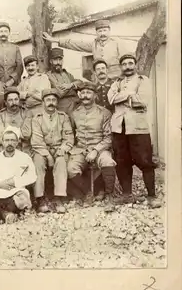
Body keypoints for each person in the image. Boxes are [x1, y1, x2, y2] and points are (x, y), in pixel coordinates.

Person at [108, 54, 161, 208]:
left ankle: (151, 196)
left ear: (135, 65)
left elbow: (142, 100)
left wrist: (121, 97)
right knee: (122, 162)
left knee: (145, 161)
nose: (128, 66)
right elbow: (110, 98)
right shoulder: (116, 83)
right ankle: (126, 195)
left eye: (130, 63)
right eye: (124, 64)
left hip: (138, 128)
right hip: (119, 128)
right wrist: (130, 95)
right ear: (121, 67)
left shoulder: (143, 81)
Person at [68, 81, 116, 211]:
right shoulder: (75, 113)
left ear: (95, 95)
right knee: (70, 168)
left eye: (88, 93)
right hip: (80, 148)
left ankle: (109, 195)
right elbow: (71, 134)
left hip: (100, 148)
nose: (85, 96)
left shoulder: (104, 113)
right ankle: (88, 192)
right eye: (82, 93)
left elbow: (109, 137)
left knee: (108, 161)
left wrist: (96, 150)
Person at [0, 126, 37, 225]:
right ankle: (5, 214)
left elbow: (32, 176)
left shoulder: (24, 157)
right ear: (2, 142)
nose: (9, 143)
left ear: (17, 142)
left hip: (15, 192)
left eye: (12, 140)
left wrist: (14, 182)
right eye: (7, 140)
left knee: (22, 198)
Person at [31, 88, 74, 214]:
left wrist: (63, 149)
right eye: (48, 100)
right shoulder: (37, 119)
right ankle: (40, 198)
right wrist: (48, 156)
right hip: (42, 150)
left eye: (54, 100)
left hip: (59, 148)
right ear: (43, 102)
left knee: (61, 161)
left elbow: (69, 137)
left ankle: (58, 197)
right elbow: (37, 141)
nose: (51, 102)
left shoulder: (63, 117)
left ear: (57, 102)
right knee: (38, 162)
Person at [43, 19, 127, 80]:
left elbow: (126, 63)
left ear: (109, 31)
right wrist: (56, 40)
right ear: (96, 32)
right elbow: (76, 44)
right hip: (100, 80)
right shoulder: (94, 44)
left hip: (117, 80)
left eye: (105, 30)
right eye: (100, 31)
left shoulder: (117, 43)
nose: (102, 34)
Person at [0, 21, 23, 87]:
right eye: (1, 31)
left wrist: (12, 80)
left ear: (9, 33)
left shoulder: (15, 47)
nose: (3, 34)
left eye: (6, 31)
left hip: (13, 84)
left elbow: (19, 66)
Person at [46, 47, 82, 116]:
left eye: (60, 60)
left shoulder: (67, 73)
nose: (58, 62)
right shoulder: (49, 75)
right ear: (51, 61)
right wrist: (74, 87)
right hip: (64, 108)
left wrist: (70, 85)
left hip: (78, 104)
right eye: (55, 60)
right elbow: (60, 92)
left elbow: (81, 83)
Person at [0, 87, 31, 154]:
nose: (14, 102)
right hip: (4, 148)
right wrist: (19, 133)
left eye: (16, 99)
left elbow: (26, 134)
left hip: (23, 148)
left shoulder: (26, 113)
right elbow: (0, 138)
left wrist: (7, 131)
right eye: (10, 100)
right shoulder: (0, 115)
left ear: (19, 100)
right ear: (5, 102)